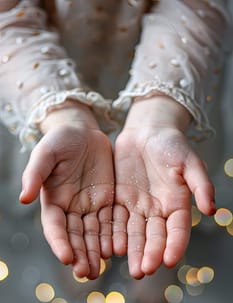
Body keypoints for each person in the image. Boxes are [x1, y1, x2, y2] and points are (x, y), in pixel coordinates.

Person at [0, 0, 230, 281]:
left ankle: (159, 257)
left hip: (169, 71)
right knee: (63, 185)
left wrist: (159, 112)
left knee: (173, 189)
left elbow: (197, 6)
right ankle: (90, 250)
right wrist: (62, 115)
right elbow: (7, 21)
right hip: (49, 70)